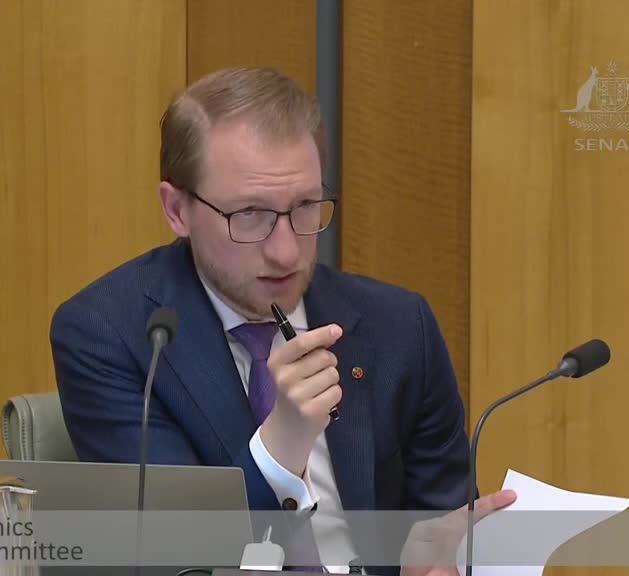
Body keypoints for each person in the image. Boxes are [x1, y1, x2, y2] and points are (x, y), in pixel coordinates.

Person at [50, 67, 514, 575]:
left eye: (305, 207)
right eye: (250, 214)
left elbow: (441, 525)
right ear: (177, 209)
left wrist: (448, 558)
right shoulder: (113, 334)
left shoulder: (400, 326)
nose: (286, 250)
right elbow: (176, 556)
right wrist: (281, 444)